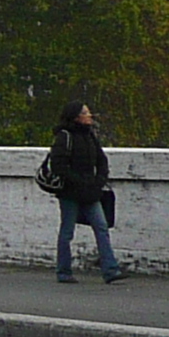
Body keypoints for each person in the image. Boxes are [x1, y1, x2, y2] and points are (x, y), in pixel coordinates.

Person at [44, 101, 125, 283]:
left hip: (90, 191)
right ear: (76, 117)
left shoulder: (90, 136)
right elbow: (58, 166)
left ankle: (111, 270)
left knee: (102, 227)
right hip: (70, 192)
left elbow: (101, 160)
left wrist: (99, 180)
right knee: (67, 231)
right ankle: (63, 272)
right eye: (86, 113)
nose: (90, 116)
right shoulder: (64, 137)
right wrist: (80, 182)